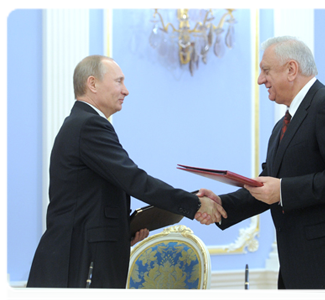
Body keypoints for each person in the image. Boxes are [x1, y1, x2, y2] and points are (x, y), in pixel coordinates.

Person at [196, 36, 325, 293]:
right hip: (302, 266)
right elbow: (266, 184)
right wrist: (222, 205)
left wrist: (283, 190)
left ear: (291, 69)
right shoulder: (283, 124)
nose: (260, 79)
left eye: (265, 70)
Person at [27, 55, 226, 288]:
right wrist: (194, 204)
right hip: (78, 261)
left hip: (79, 257)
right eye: (119, 81)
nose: (126, 91)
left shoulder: (83, 123)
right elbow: (134, 180)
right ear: (92, 84)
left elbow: (92, 200)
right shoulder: (89, 125)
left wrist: (124, 230)